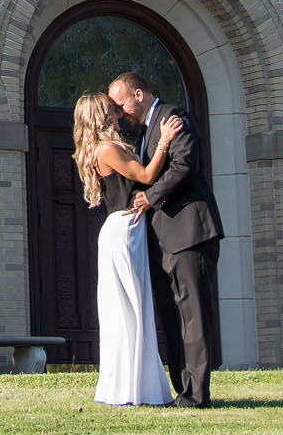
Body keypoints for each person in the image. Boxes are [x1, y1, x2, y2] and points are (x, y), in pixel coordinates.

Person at [108, 70, 224, 409]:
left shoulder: (174, 118)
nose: (119, 112)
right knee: (172, 316)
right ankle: (181, 387)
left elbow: (185, 166)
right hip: (163, 237)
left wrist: (149, 197)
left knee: (194, 315)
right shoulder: (143, 133)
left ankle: (196, 395)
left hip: (189, 231)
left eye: (120, 103)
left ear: (138, 95)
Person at [71, 92, 183, 407]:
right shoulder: (106, 149)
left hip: (126, 229)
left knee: (133, 307)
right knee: (127, 309)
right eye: (112, 110)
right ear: (99, 115)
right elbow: (146, 176)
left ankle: (138, 385)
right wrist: (165, 141)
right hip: (123, 229)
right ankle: (129, 388)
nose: (119, 114)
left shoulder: (105, 147)